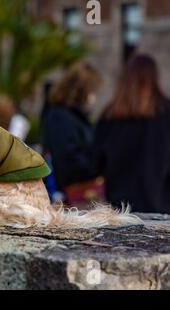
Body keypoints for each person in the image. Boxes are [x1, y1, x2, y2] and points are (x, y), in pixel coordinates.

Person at [94, 54, 170, 214]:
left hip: (121, 209)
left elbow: (95, 163)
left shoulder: (110, 115)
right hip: (162, 208)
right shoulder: (166, 112)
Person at [42, 63, 103, 202]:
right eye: (92, 92)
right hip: (70, 193)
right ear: (82, 91)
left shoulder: (72, 115)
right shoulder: (62, 117)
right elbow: (68, 159)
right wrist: (97, 164)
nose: (93, 98)